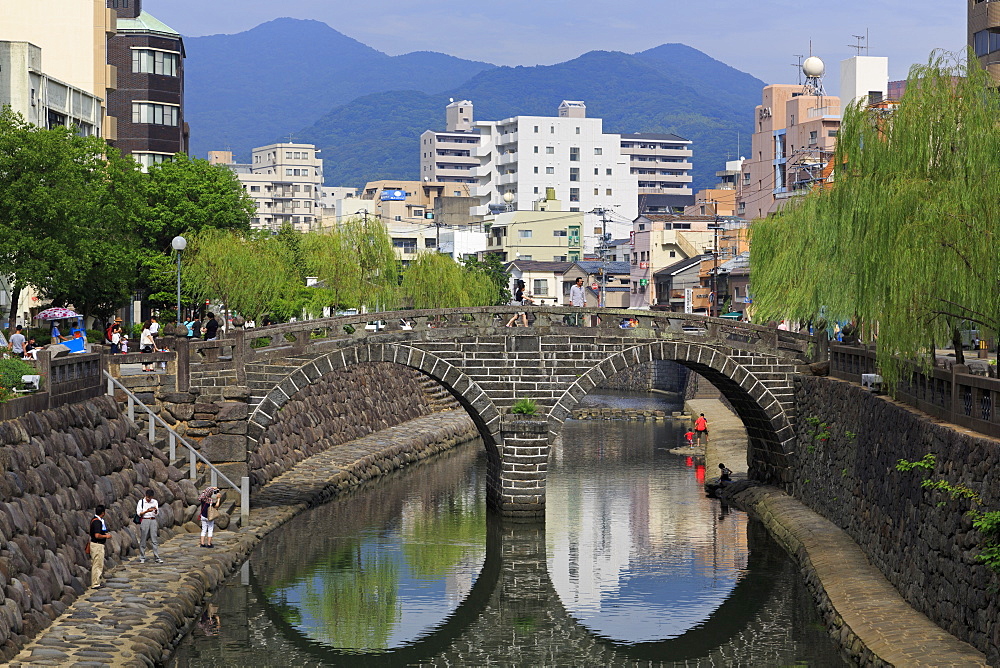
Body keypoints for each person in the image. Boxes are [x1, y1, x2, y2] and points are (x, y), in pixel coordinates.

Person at [136, 489, 163, 564]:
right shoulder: (141, 502)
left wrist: (155, 510)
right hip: (145, 519)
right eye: (148, 498)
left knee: (154, 539)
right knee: (143, 539)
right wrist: (147, 511)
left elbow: (156, 513)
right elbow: (139, 513)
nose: (149, 499)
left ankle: (157, 557)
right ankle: (142, 557)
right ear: (146, 495)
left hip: (153, 520)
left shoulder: (155, 502)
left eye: (150, 498)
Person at [89, 505, 111, 588]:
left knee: (98, 564)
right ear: (103, 513)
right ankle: (95, 583)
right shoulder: (97, 522)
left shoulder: (94, 520)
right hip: (97, 545)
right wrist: (106, 536)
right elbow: (97, 535)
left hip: (96, 544)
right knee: (97, 564)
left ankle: (97, 581)